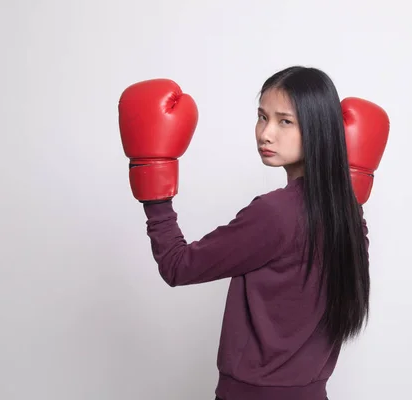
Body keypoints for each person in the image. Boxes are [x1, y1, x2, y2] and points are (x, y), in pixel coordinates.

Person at [118, 66, 389, 400]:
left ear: (319, 128)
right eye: (262, 117)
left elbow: (178, 266)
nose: (266, 133)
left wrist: (153, 182)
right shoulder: (350, 218)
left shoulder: (275, 213)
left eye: (284, 121)